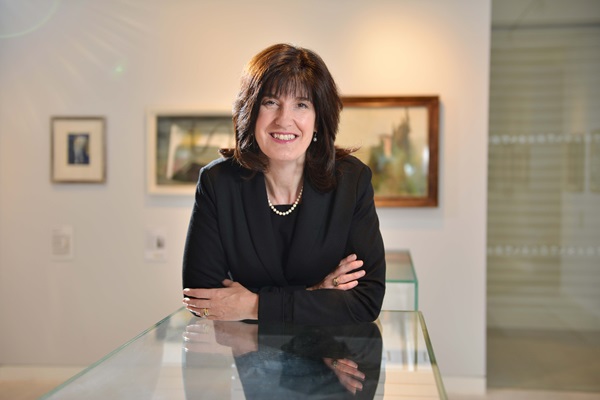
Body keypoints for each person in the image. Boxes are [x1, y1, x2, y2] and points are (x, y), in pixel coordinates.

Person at [182, 43, 385, 324]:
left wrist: (255, 306)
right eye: (270, 102)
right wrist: (315, 293)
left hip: (329, 359)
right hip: (245, 359)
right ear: (251, 111)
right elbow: (201, 299)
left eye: (301, 104)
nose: (284, 120)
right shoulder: (218, 183)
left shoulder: (350, 181)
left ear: (318, 119)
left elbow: (366, 301)